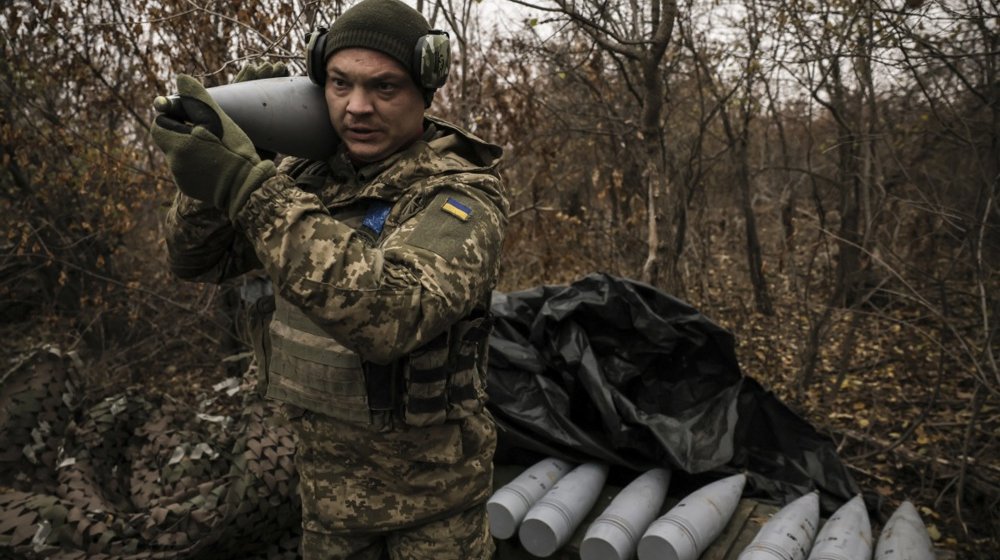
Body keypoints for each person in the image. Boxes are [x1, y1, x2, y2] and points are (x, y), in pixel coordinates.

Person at [150, 0, 508, 558]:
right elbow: (195, 259)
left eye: (384, 87)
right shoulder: (305, 176)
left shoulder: (460, 195)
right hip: (326, 500)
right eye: (340, 84)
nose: (357, 107)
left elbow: (395, 315)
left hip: (434, 510)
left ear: (423, 93)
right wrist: (231, 166)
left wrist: (249, 187)